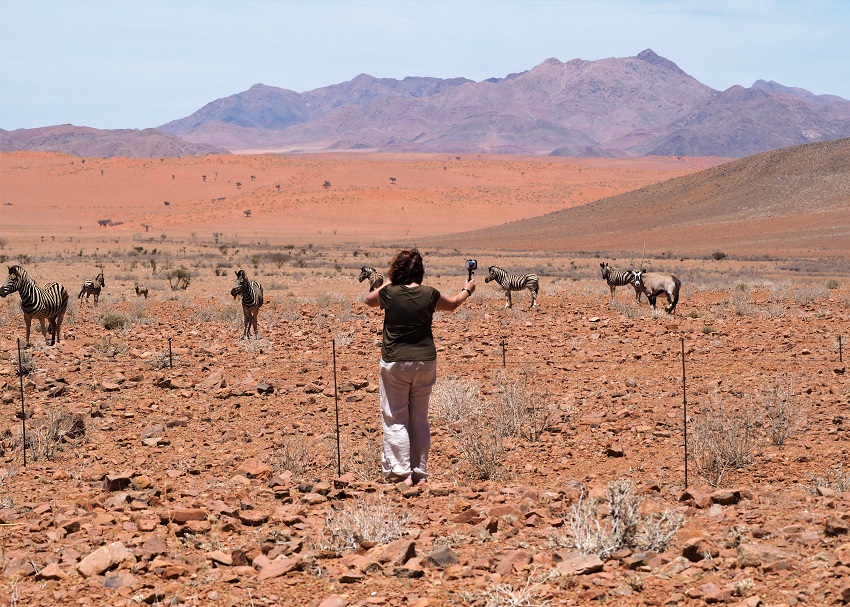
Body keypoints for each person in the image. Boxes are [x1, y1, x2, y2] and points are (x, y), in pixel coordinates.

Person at [365, 249, 475, 487]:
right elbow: (453, 304)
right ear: (420, 271)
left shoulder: (389, 293)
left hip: (395, 362)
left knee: (395, 417)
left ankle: (401, 473)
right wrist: (467, 290)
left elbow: (369, 300)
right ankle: (419, 472)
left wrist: (389, 280)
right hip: (425, 362)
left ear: (396, 270)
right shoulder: (429, 294)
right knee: (419, 418)